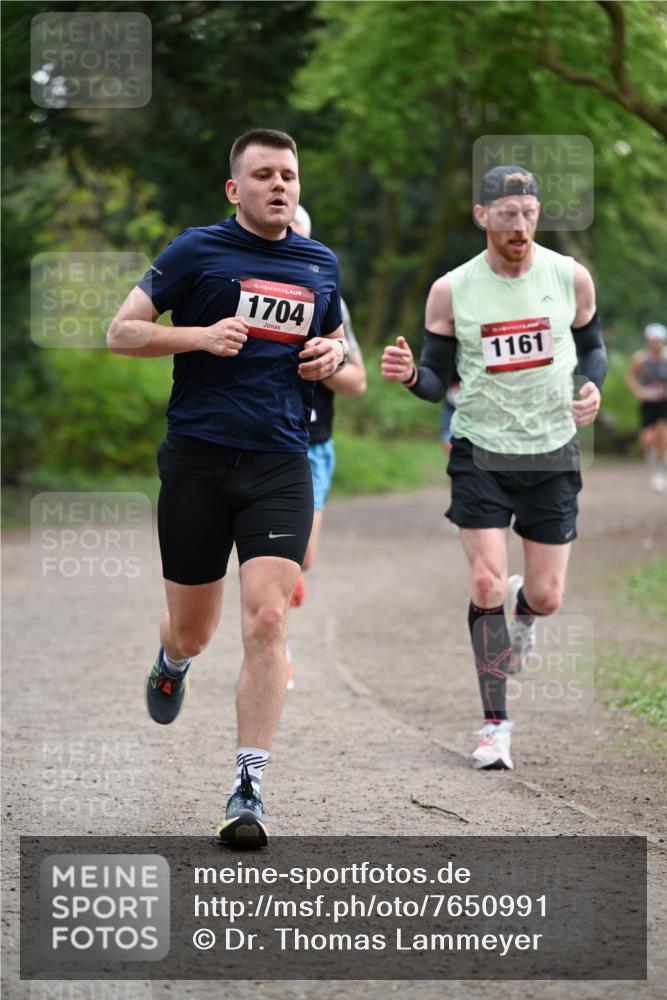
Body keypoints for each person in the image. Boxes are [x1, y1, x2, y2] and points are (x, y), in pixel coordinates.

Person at [106, 128, 348, 847]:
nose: (280, 185)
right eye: (264, 174)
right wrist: (200, 336)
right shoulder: (195, 252)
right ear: (233, 189)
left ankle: (248, 788)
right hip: (198, 460)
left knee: (269, 619)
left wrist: (329, 354)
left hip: (279, 462)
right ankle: (172, 661)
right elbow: (122, 333)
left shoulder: (319, 263)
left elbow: (334, 343)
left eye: (290, 175)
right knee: (194, 629)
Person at [381, 165, 607, 770]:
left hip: (552, 453)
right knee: (484, 584)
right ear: (482, 216)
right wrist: (409, 377)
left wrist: (591, 387)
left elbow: (594, 349)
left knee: (547, 595)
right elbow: (434, 380)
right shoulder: (452, 289)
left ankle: (525, 612)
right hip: (480, 451)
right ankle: (494, 725)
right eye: (507, 213)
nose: (520, 224)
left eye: (529, 213)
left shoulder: (569, 277)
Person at [285, 205, 367, 687]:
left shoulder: (328, 296)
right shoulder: (238, 284)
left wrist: (328, 358)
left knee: (303, 558)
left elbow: (358, 381)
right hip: (253, 439)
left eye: (299, 233)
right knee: (275, 556)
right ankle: (280, 650)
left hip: (312, 444)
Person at [625, 323, 667, 493]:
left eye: (658, 339)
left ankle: (659, 471)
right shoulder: (641, 359)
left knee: (663, 437)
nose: (656, 343)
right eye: (653, 340)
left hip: (664, 403)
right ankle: (653, 455)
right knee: (647, 440)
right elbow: (630, 377)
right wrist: (639, 391)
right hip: (648, 404)